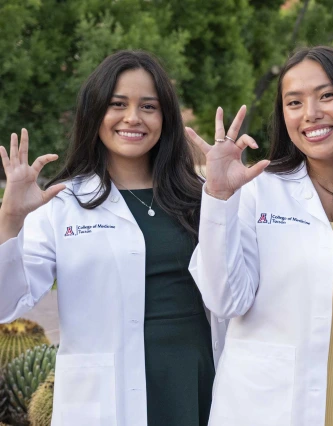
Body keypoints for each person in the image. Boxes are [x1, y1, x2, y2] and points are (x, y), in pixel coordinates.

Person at [187, 46, 333, 426]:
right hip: (265, 412)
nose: (310, 114)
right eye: (294, 102)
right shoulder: (258, 190)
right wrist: (219, 199)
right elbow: (224, 300)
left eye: (327, 95)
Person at [0, 50, 221, 426]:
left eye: (148, 106)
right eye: (117, 104)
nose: (133, 118)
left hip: (191, 379)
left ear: (165, 117)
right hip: (103, 392)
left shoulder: (202, 196)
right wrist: (10, 222)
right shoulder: (63, 202)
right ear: (94, 113)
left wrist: (224, 199)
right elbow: (8, 303)